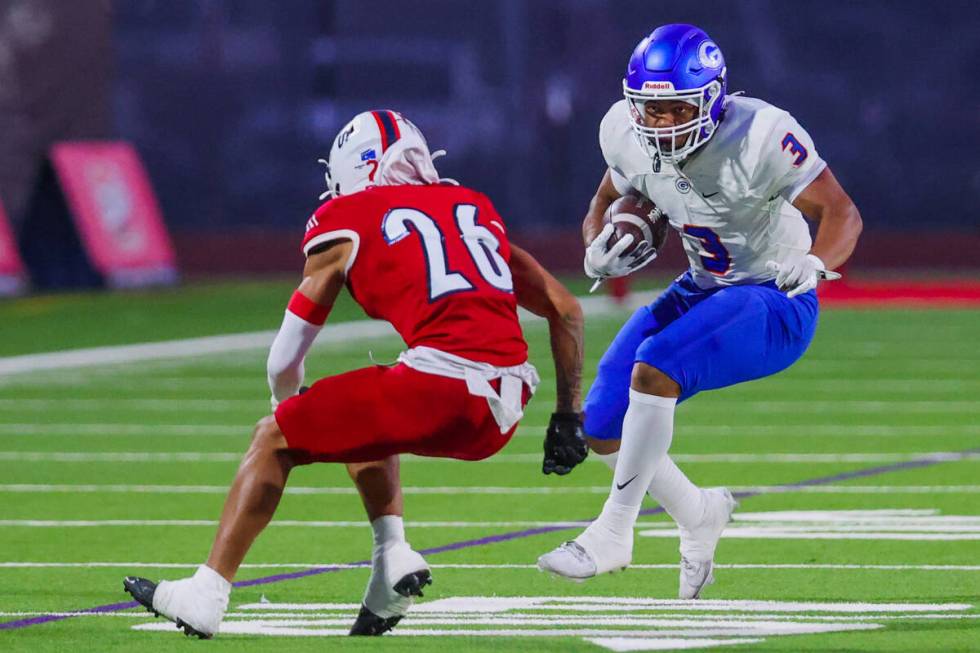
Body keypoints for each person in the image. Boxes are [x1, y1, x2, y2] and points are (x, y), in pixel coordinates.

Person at [123, 110, 588, 638]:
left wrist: (287, 414)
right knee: (366, 413)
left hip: (441, 385)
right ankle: (391, 565)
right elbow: (566, 310)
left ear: (350, 169)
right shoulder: (474, 208)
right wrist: (568, 416)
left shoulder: (347, 216)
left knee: (273, 438)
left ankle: (206, 593)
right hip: (505, 404)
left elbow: (284, 359)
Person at [537, 23, 862, 599]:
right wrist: (597, 246)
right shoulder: (623, 131)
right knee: (604, 420)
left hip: (774, 297)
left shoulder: (761, 134)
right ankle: (698, 512)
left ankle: (614, 532)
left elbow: (841, 212)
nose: (659, 124)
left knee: (655, 364)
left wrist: (815, 263)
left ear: (711, 98)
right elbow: (607, 199)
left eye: (674, 109)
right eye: (649, 109)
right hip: (703, 285)